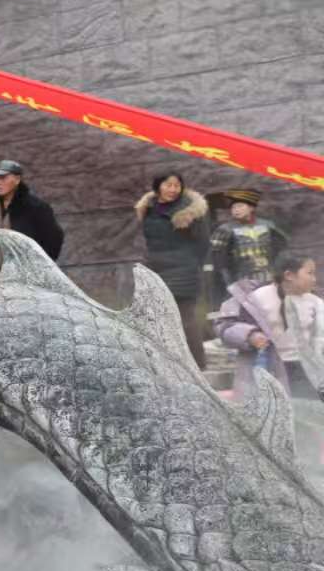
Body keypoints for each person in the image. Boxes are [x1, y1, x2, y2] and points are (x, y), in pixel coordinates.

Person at [215, 253, 321, 401]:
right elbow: (225, 326)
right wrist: (250, 335)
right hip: (267, 367)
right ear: (289, 275)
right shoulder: (253, 298)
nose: (314, 279)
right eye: (310, 273)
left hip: (305, 369)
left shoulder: (314, 302)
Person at [134, 171, 210, 367]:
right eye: (168, 185)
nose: (173, 189)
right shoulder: (148, 208)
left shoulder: (190, 211)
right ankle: (171, 365)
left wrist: (192, 265)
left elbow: (203, 243)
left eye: (177, 185)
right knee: (159, 318)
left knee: (185, 319)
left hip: (184, 270)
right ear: (158, 186)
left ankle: (198, 365)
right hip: (156, 270)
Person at [0, 158, 63, 282]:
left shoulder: (35, 206)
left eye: (3, 178)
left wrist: (39, 270)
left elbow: (55, 238)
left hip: (25, 278)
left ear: (17, 179)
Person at [208, 187, 287, 299]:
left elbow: (282, 249)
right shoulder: (225, 230)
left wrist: (278, 271)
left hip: (268, 277)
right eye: (233, 207)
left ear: (251, 207)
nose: (236, 210)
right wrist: (229, 282)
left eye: (240, 206)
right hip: (241, 279)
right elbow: (216, 258)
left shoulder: (268, 226)